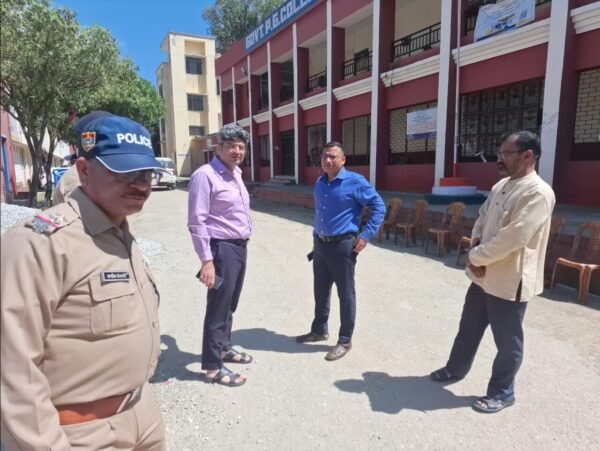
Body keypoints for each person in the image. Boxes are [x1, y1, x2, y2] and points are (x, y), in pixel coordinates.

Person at [1, 112, 166, 449]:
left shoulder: (120, 232)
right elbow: (12, 366)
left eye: (146, 173)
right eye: (125, 173)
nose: (141, 184)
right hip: (82, 433)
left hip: (142, 415)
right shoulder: (41, 243)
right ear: (84, 171)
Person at [430, 131, 555, 414]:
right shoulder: (501, 185)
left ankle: (502, 392)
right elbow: (482, 218)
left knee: (507, 342)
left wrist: (476, 256)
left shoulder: (537, 193)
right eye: (500, 153)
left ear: (527, 156)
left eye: (506, 154)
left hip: (509, 280)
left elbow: (514, 237)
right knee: (469, 328)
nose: (500, 159)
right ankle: (455, 369)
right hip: (482, 275)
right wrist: (475, 249)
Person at [296, 141, 385, 361]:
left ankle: (345, 340)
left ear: (343, 160)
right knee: (320, 290)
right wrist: (316, 236)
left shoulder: (355, 182)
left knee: (345, 294)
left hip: (342, 246)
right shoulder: (320, 182)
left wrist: (365, 235)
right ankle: (319, 330)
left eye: (333, 156)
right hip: (321, 244)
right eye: (324, 156)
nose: (327, 160)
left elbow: (379, 206)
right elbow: (321, 212)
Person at [188, 124, 253, 387]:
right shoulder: (205, 176)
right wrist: (207, 261)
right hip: (220, 250)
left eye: (241, 146)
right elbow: (197, 221)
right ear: (219, 148)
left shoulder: (236, 173)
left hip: (238, 248)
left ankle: (224, 347)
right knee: (218, 308)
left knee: (230, 305)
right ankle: (213, 367)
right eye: (231, 146)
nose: (237, 151)